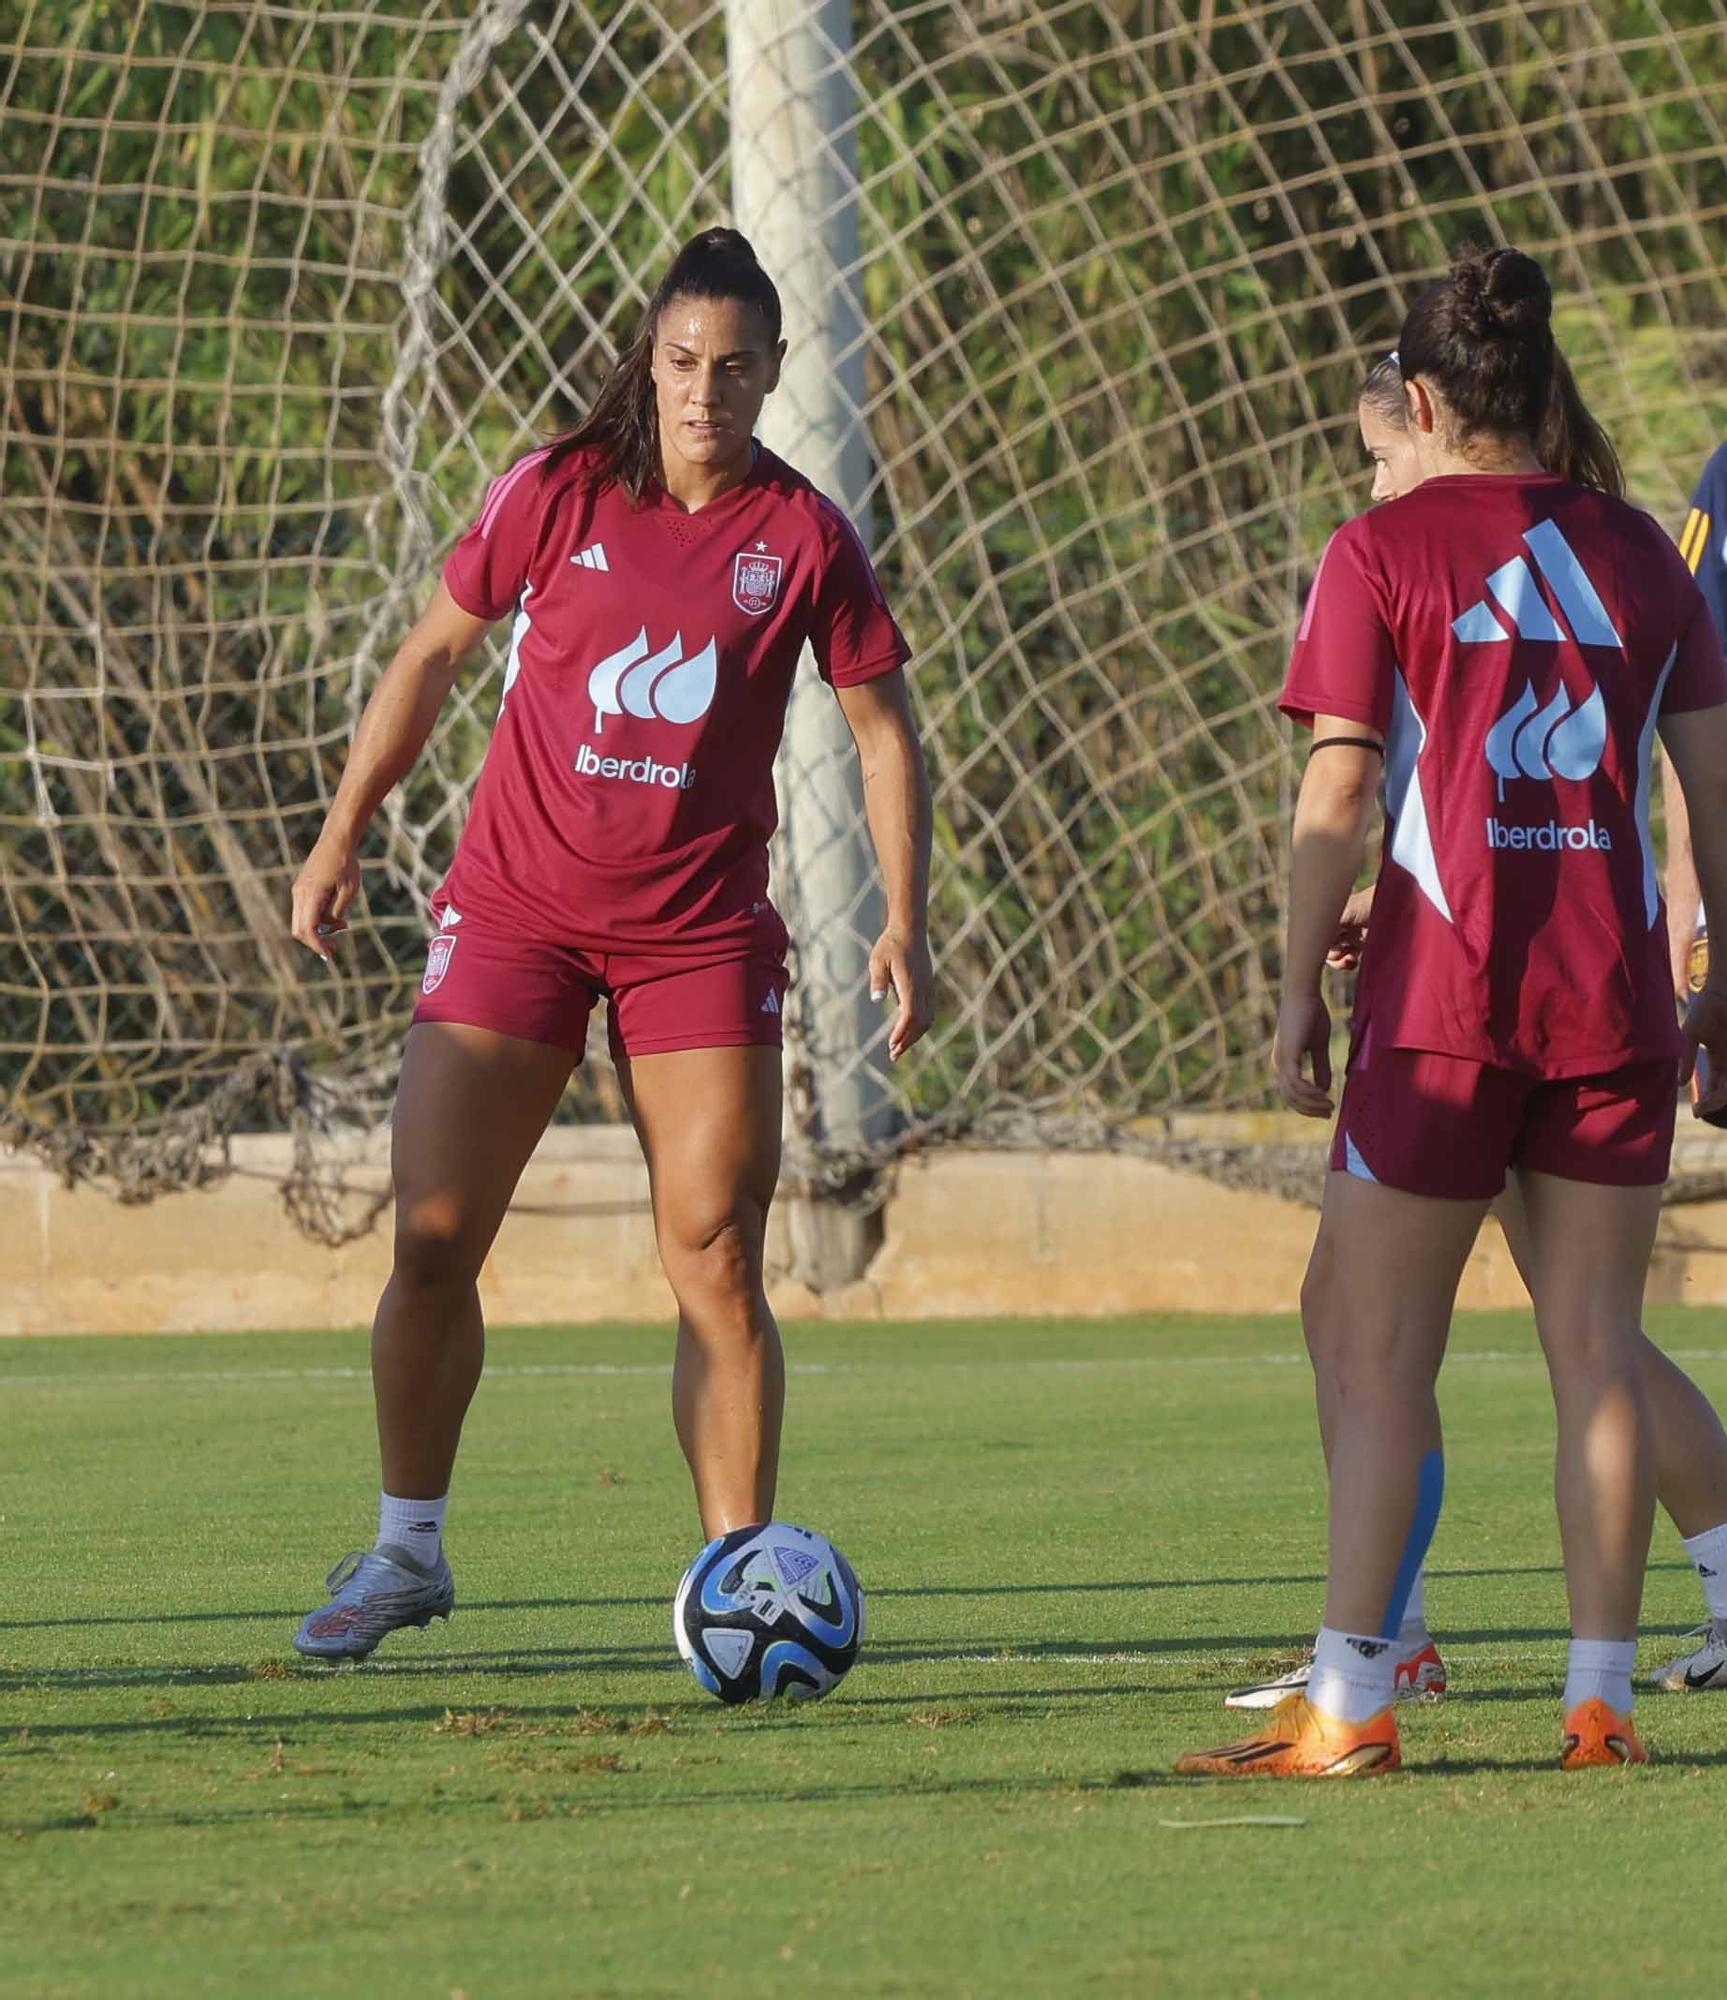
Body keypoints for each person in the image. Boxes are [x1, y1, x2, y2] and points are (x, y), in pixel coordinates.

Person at [286, 228, 935, 1661]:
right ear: (653, 358)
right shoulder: (558, 487)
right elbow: (431, 657)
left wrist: (905, 916)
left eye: (737, 368)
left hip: (696, 940)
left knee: (712, 1251)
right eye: (686, 361)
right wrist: (340, 834)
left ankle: (740, 1585)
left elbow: (883, 733)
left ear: (775, 375)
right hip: (515, 913)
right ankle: (406, 1553)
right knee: (437, 1237)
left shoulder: (807, 538)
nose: (708, 391)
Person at [1177, 244, 1727, 1779]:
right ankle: (1599, 1701)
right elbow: (1715, 788)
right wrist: (1721, 977)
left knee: (1371, 1355)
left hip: (1440, 1010)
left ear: (1417, 398)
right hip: (1614, 1003)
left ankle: (1353, 1703)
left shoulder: (1380, 551)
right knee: (1600, 1358)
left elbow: (1344, 781)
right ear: (1539, 388)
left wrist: (1294, 986)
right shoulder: (1641, 556)